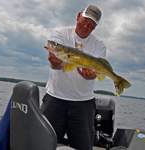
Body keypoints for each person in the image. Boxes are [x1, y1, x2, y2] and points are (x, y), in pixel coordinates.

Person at [41, 5, 107, 150]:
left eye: (91, 24)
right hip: (55, 99)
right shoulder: (61, 34)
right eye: (84, 20)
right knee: (44, 144)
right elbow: (57, 66)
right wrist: (54, 61)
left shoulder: (99, 44)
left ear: (95, 27)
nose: (85, 26)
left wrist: (90, 76)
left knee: (83, 147)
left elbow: (94, 74)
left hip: (83, 104)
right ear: (78, 16)